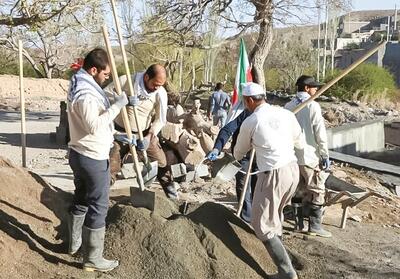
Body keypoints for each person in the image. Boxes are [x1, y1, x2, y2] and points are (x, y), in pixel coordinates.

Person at [67, 48, 132, 272]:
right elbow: (93, 124)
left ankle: (74, 244)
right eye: (105, 74)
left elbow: (94, 118)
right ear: (93, 70)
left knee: (82, 199)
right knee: (99, 206)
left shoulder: (80, 82)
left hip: (80, 152)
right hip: (91, 157)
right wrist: (118, 106)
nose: (107, 78)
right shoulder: (85, 94)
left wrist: (116, 134)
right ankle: (93, 259)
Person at [234, 82, 304, 279]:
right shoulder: (286, 114)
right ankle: (282, 264)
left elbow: (239, 153)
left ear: (248, 100)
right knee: (275, 216)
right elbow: (298, 140)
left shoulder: (252, 121)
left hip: (273, 173)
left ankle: (286, 272)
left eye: (244, 101)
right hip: (292, 170)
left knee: (261, 224)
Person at [106, 64, 178, 199]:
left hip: (144, 134)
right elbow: (104, 95)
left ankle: (172, 194)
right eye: (155, 84)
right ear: (146, 77)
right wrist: (122, 101)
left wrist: (149, 137)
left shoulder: (160, 93)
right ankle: (100, 198)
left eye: (160, 85)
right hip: (121, 134)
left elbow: (160, 119)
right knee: (111, 167)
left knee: (162, 163)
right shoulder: (126, 81)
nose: (157, 87)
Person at [285, 75, 332, 238]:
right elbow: (320, 133)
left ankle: (299, 224)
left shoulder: (288, 106)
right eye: (314, 87)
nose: (316, 90)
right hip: (309, 156)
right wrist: (325, 154)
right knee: (317, 190)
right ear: (306, 88)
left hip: (292, 157)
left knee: (298, 191)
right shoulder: (312, 106)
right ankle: (315, 226)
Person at [206, 108, 257, 223]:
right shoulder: (247, 113)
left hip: (262, 159)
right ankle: (246, 219)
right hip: (243, 155)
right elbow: (227, 130)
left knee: (258, 187)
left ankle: (258, 219)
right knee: (242, 184)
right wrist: (216, 148)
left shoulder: (270, 116)